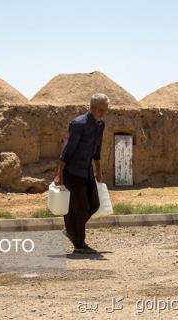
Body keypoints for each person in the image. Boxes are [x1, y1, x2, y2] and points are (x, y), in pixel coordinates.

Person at [53, 93, 108, 254]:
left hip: (88, 172)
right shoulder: (79, 124)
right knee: (80, 208)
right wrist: (59, 174)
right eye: (101, 110)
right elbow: (67, 150)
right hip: (73, 172)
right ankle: (79, 245)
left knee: (94, 205)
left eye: (105, 110)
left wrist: (98, 171)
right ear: (92, 108)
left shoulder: (100, 125)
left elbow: (97, 150)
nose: (103, 113)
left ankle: (71, 231)